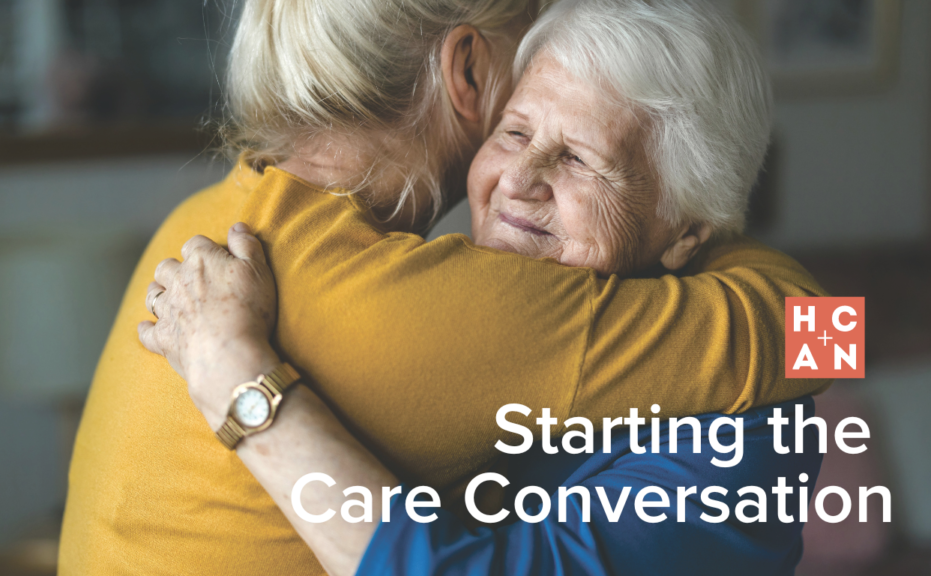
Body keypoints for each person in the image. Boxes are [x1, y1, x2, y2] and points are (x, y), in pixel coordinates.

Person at [60, 1, 830, 574]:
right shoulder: (432, 301)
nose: (520, 181)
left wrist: (240, 385)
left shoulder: (198, 227)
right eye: (516, 129)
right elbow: (825, 335)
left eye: (584, 160)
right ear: (467, 70)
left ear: (690, 229)